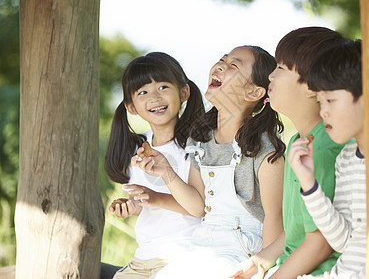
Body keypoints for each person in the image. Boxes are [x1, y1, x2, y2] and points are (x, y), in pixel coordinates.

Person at [132, 46, 286, 279]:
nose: (221, 65)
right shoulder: (201, 139)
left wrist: (264, 267)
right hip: (203, 247)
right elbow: (198, 206)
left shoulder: (264, 149)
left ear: (254, 93)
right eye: (222, 60)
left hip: (243, 252)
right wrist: (167, 172)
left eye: (234, 65)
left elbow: (274, 218)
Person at [231, 27, 348, 279]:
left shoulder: (325, 148)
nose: (271, 76)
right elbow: (297, 232)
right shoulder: (298, 140)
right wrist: (260, 262)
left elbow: (319, 244)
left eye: (281, 68)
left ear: (313, 85)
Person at [103, 52, 205, 279]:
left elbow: (199, 208)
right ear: (131, 106)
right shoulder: (137, 148)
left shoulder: (197, 144)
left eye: (163, 87)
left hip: (185, 257)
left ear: (184, 92)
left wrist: (154, 197)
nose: (155, 98)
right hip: (144, 258)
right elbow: (146, 203)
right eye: (143, 92)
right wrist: (132, 206)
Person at [292, 40, 366, 279]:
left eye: (331, 100)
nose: (323, 111)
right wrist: (309, 184)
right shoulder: (347, 157)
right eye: (319, 102)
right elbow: (344, 242)